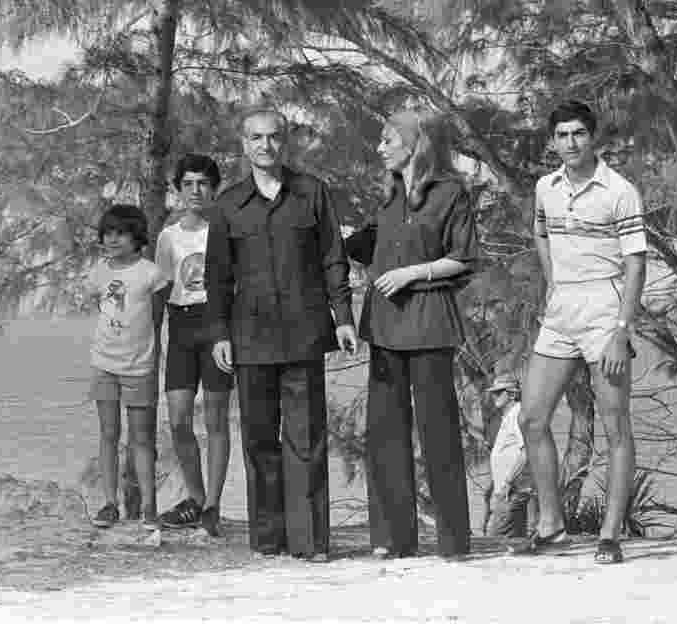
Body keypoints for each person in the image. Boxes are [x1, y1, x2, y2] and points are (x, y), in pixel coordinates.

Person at [205, 107, 358, 562]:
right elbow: (216, 277)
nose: (265, 145)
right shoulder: (228, 203)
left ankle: (310, 542)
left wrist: (344, 316)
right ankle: (269, 541)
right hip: (248, 338)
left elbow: (334, 257)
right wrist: (219, 334)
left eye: (273, 137)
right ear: (244, 144)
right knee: (258, 439)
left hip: (304, 333)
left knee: (306, 437)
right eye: (256, 138)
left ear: (283, 142)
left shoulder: (312, 192)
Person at [518, 100, 647, 564]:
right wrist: (554, 283)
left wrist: (622, 330)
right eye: (562, 135)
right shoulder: (545, 188)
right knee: (531, 417)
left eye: (579, 134)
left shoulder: (620, 190)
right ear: (552, 141)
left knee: (616, 425)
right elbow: (541, 234)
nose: (571, 143)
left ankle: (610, 535)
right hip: (561, 310)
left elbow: (636, 262)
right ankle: (551, 527)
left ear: (593, 138)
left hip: (605, 312)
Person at [345, 109, 477, 561]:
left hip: (429, 323)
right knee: (385, 435)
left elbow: (463, 258)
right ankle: (393, 538)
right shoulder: (388, 196)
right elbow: (366, 247)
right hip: (383, 327)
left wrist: (410, 274)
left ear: (414, 143)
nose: (379, 149)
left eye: (387, 141)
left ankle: (454, 541)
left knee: (438, 432)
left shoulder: (449, 193)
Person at [153, 155, 233, 537]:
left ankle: (213, 506)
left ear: (214, 188)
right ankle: (195, 498)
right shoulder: (169, 236)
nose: (196, 191)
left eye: (203, 183)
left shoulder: (224, 229)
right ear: (178, 189)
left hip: (216, 324)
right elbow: (160, 288)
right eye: (188, 184)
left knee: (216, 419)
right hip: (182, 326)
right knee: (179, 420)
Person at [86, 204, 169, 534]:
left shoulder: (151, 273)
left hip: (139, 367)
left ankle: (149, 507)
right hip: (104, 364)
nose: (113, 239)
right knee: (108, 434)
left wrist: (151, 357)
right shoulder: (99, 272)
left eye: (121, 233)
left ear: (137, 237)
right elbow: (101, 307)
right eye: (108, 233)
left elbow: (157, 319)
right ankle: (110, 503)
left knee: (142, 439)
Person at [486, 374, 533, 539]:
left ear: (512, 394)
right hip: (510, 490)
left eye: (499, 392)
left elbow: (526, 450)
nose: (494, 396)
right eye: (493, 392)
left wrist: (507, 482)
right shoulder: (509, 416)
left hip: (512, 491)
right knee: (515, 540)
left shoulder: (517, 415)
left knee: (494, 538)